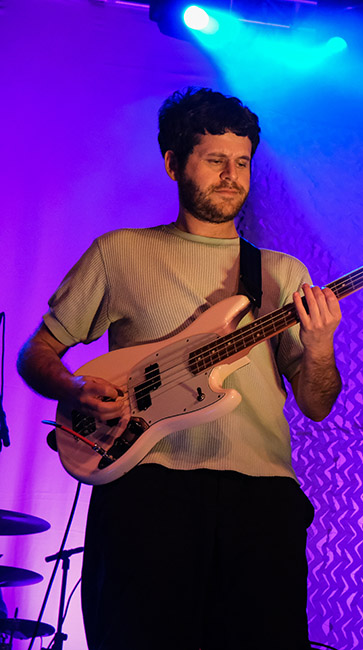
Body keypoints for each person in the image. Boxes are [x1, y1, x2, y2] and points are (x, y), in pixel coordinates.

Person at [17, 87, 342, 650]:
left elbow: (317, 403)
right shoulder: (119, 252)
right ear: (172, 163)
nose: (231, 176)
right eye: (215, 160)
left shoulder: (281, 274)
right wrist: (75, 388)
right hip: (148, 490)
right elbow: (37, 352)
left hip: (261, 499)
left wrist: (320, 347)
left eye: (242, 163)